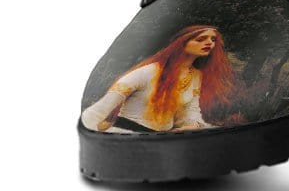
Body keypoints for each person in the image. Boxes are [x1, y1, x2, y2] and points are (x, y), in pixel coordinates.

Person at [81, 26, 234, 133]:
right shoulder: (148, 72)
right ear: (182, 43)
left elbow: (190, 109)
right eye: (201, 39)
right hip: (126, 135)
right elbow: (101, 109)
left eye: (213, 39)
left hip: (161, 139)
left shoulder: (196, 76)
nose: (210, 43)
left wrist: (192, 124)